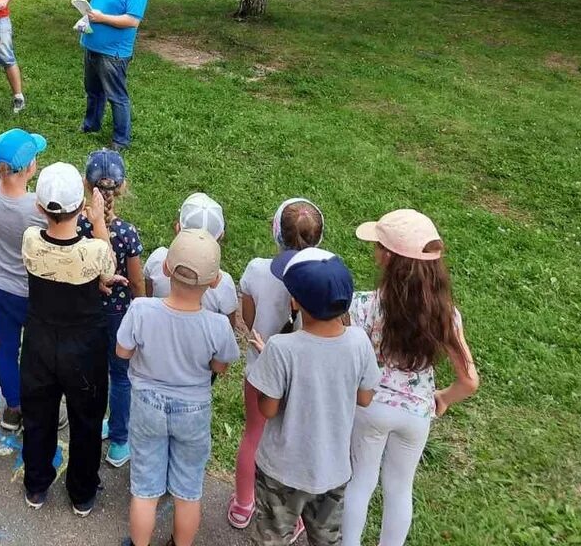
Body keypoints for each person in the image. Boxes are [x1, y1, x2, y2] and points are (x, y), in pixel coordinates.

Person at [342, 210, 480, 546]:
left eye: (378, 245)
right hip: (416, 414)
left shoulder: (362, 305)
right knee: (400, 488)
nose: (375, 251)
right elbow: (469, 380)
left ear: (389, 257)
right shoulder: (446, 316)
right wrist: (444, 398)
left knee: (359, 482)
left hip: (370, 406)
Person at [246, 248, 382, 546]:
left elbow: (267, 409)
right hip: (332, 470)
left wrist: (268, 361)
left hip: (281, 471)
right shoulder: (359, 341)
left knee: (272, 539)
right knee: (326, 539)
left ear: (294, 301)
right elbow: (365, 397)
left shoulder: (281, 348)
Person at [116, 230, 240, 546]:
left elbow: (122, 352)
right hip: (193, 409)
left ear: (166, 269)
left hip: (146, 404)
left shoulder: (141, 309)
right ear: (214, 282)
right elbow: (220, 367)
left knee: (144, 488)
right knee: (187, 490)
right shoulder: (218, 326)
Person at [20, 162, 118, 516]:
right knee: (87, 418)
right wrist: (100, 223)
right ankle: (82, 491)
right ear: (82, 207)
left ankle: (36, 484)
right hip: (84, 345)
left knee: (38, 415)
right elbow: (108, 269)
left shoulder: (31, 241)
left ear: (40, 207)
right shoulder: (92, 250)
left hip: (40, 340)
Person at [230, 197, 326, 530]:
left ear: (276, 234)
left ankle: (244, 504)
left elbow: (247, 317)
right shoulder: (324, 278)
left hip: (262, 368)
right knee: (297, 441)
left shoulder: (257, 269)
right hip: (305, 376)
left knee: (253, 435)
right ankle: (294, 514)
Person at [77, 148, 143, 469]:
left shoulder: (77, 227)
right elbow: (136, 281)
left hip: (87, 313)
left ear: (87, 186)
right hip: (120, 315)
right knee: (120, 376)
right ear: (123, 186)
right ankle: (119, 440)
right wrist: (141, 308)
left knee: (94, 373)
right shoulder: (127, 233)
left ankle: (96, 425)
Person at [0, 127, 48, 431]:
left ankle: (13, 408)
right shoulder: (36, 209)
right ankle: (39, 406)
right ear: (30, 167)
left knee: (7, 348)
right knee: (36, 353)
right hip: (27, 291)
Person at [72, 0, 148, 150]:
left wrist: (103, 18)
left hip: (114, 52)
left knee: (116, 96)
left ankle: (121, 140)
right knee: (93, 91)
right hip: (92, 43)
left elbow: (132, 21)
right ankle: (91, 125)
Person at [144, 193, 240, 328]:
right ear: (220, 237)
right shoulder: (224, 283)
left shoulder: (157, 258)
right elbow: (229, 327)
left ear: (177, 228)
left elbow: (148, 295)